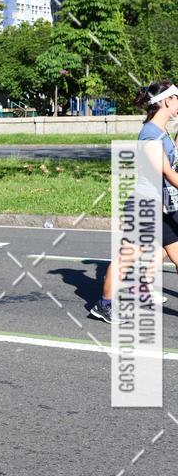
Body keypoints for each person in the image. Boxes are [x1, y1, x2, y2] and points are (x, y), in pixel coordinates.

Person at [90, 81, 178, 323]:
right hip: (144, 205)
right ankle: (103, 305)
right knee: (127, 258)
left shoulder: (163, 132)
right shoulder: (150, 135)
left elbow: (172, 161)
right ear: (167, 101)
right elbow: (168, 174)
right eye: (177, 98)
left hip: (162, 206)